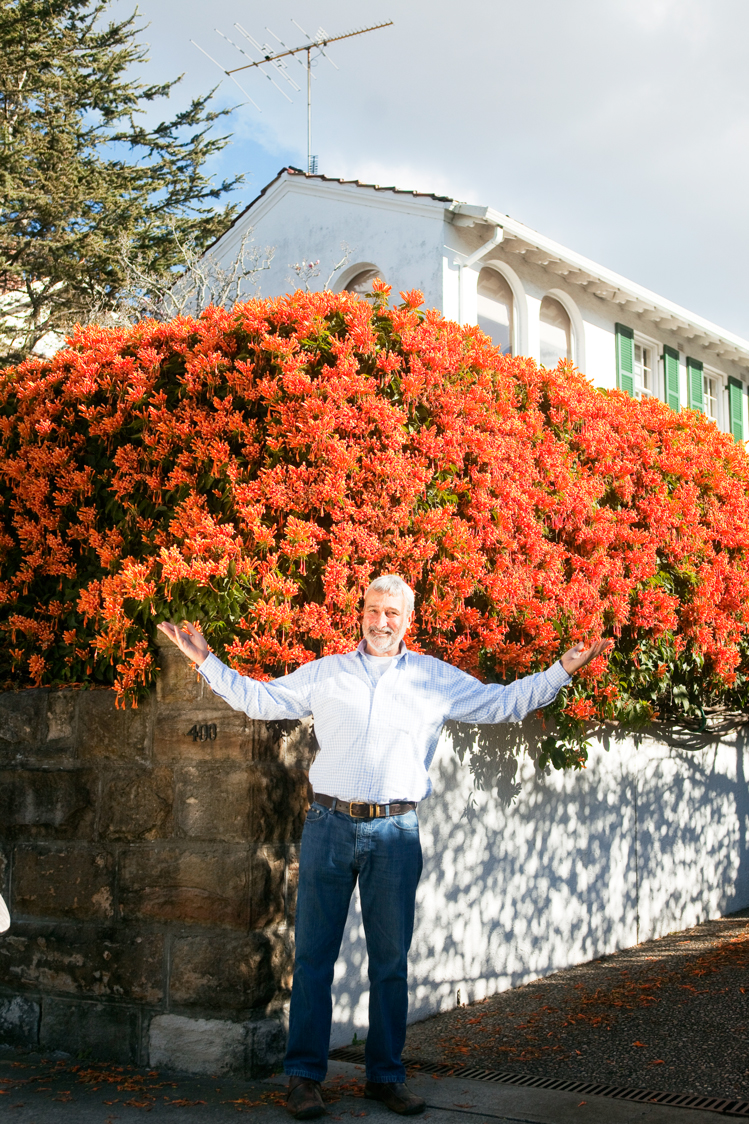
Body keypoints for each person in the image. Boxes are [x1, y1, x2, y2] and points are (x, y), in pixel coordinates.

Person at [158, 575, 611, 1119]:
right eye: (373, 610)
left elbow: (501, 704)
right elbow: (261, 699)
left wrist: (563, 669)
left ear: (408, 620)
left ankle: (385, 1077)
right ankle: (303, 1078)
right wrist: (207, 662)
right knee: (315, 960)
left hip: (395, 834)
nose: (381, 621)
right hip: (328, 825)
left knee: (390, 963)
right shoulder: (328, 673)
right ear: (362, 613)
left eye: (392, 613)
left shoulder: (433, 678)